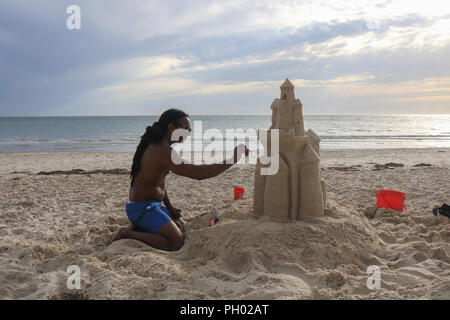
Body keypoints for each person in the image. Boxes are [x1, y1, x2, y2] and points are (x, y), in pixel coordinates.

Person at [109, 109, 249, 251]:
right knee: (176, 242)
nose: (188, 132)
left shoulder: (161, 146)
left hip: (152, 204)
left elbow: (158, 181)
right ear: (171, 127)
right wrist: (233, 159)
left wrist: (169, 207)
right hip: (142, 208)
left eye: (190, 129)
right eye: (185, 128)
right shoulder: (162, 151)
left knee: (180, 226)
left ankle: (138, 226)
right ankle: (126, 234)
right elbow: (199, 173)